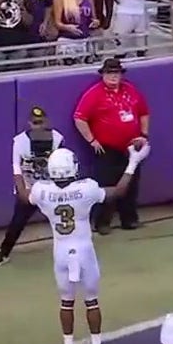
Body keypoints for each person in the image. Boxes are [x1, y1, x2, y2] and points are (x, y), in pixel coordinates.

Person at [24, 147, 137, 344]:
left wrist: (16, 170)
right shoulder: (87, 188)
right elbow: (119, 191)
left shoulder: (42, 191)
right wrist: (133, 162)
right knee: (91, 301)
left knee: (66, 302)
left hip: (61, 252)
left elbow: (23, 196)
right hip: (84, 250)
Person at [74, 57, 151, 233]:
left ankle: (129, 219)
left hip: (131, 147)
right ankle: (102, 222)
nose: (113, 76)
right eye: (109, 73)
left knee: (132, 183)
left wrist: (144, 135)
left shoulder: (131, 90)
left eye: (116, 72)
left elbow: (144, 113)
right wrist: (92, 140)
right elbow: (79, 118)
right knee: (104, 184)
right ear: (103, 74)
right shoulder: (94, 93)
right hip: (107, 148)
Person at [0, 105, 64, 266]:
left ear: (46, 121)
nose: (38, 125)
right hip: (29, 187)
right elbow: (16, 167)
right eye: (35, 122)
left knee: (61, 219)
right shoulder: (20, 141)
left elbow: (63, 163)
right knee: (17, 222)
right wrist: (22, 191)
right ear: (29, 123)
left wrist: (60, 188)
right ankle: (4, 252)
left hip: (51, 187)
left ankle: (68, 251)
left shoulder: (57, 138)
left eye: (41, 122)